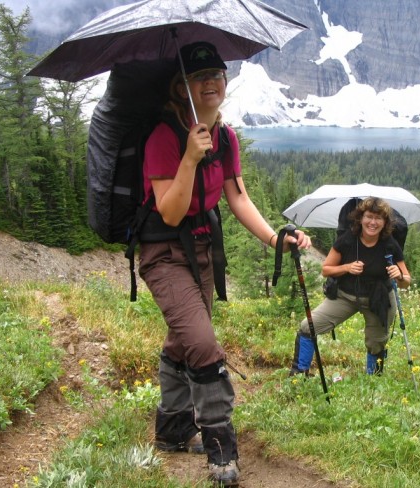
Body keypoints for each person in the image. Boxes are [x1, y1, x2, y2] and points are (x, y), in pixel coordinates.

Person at [138, 41, 311, 487]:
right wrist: (190, 159)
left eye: (216, 73)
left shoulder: (225, 136)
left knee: (183, 341)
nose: (211, 82)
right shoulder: (164, 137)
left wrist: (276, 238)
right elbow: (170, 212)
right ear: (182, 87)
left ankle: (173, 429)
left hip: (201, 252)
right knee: (203, 344)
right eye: (199, 77)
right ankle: (221, 449)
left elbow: (237, 196)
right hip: (163, 252)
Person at [289, 197, 410, 376]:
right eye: (369, 216)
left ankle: (373, 379)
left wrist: (399, 276)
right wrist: (347, 267)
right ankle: (299, 375)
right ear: (360, 218)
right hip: (345, 296)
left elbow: (406, 281)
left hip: (379, 299)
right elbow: (326, 270)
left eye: (379, 218)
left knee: (376, 343)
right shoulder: (347, 240)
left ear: (385, 222)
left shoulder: (390, 244)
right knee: (308, 326)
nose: (373, 222)